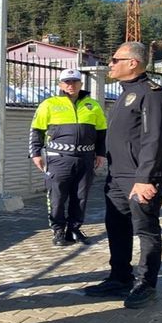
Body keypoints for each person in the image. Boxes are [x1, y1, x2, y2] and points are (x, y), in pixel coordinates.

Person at [83, 41, 162, 309]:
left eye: (114, 60)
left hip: (140, 177)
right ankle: (120, 277)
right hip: (117, 177)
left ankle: (146, 283)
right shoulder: (126, 93)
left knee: (145, 230)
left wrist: (145, 179)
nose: (109, 64)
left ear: (132, 63)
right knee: (117, 227)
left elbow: (155, 140)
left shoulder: (153, 94)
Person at [29, 68, 107, 247]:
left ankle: (74, 229)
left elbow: (101, 132)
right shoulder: (49, 104)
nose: (71, 85)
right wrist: (35, 153)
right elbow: (36, 130)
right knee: (57, 197)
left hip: (85, 158)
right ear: (60, 84)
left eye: (74, 81)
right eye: (67, 82)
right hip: (59, 158)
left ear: (81, 83)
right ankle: (58, 231)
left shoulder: (92, 105)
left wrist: (101, 153)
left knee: (81, 197)